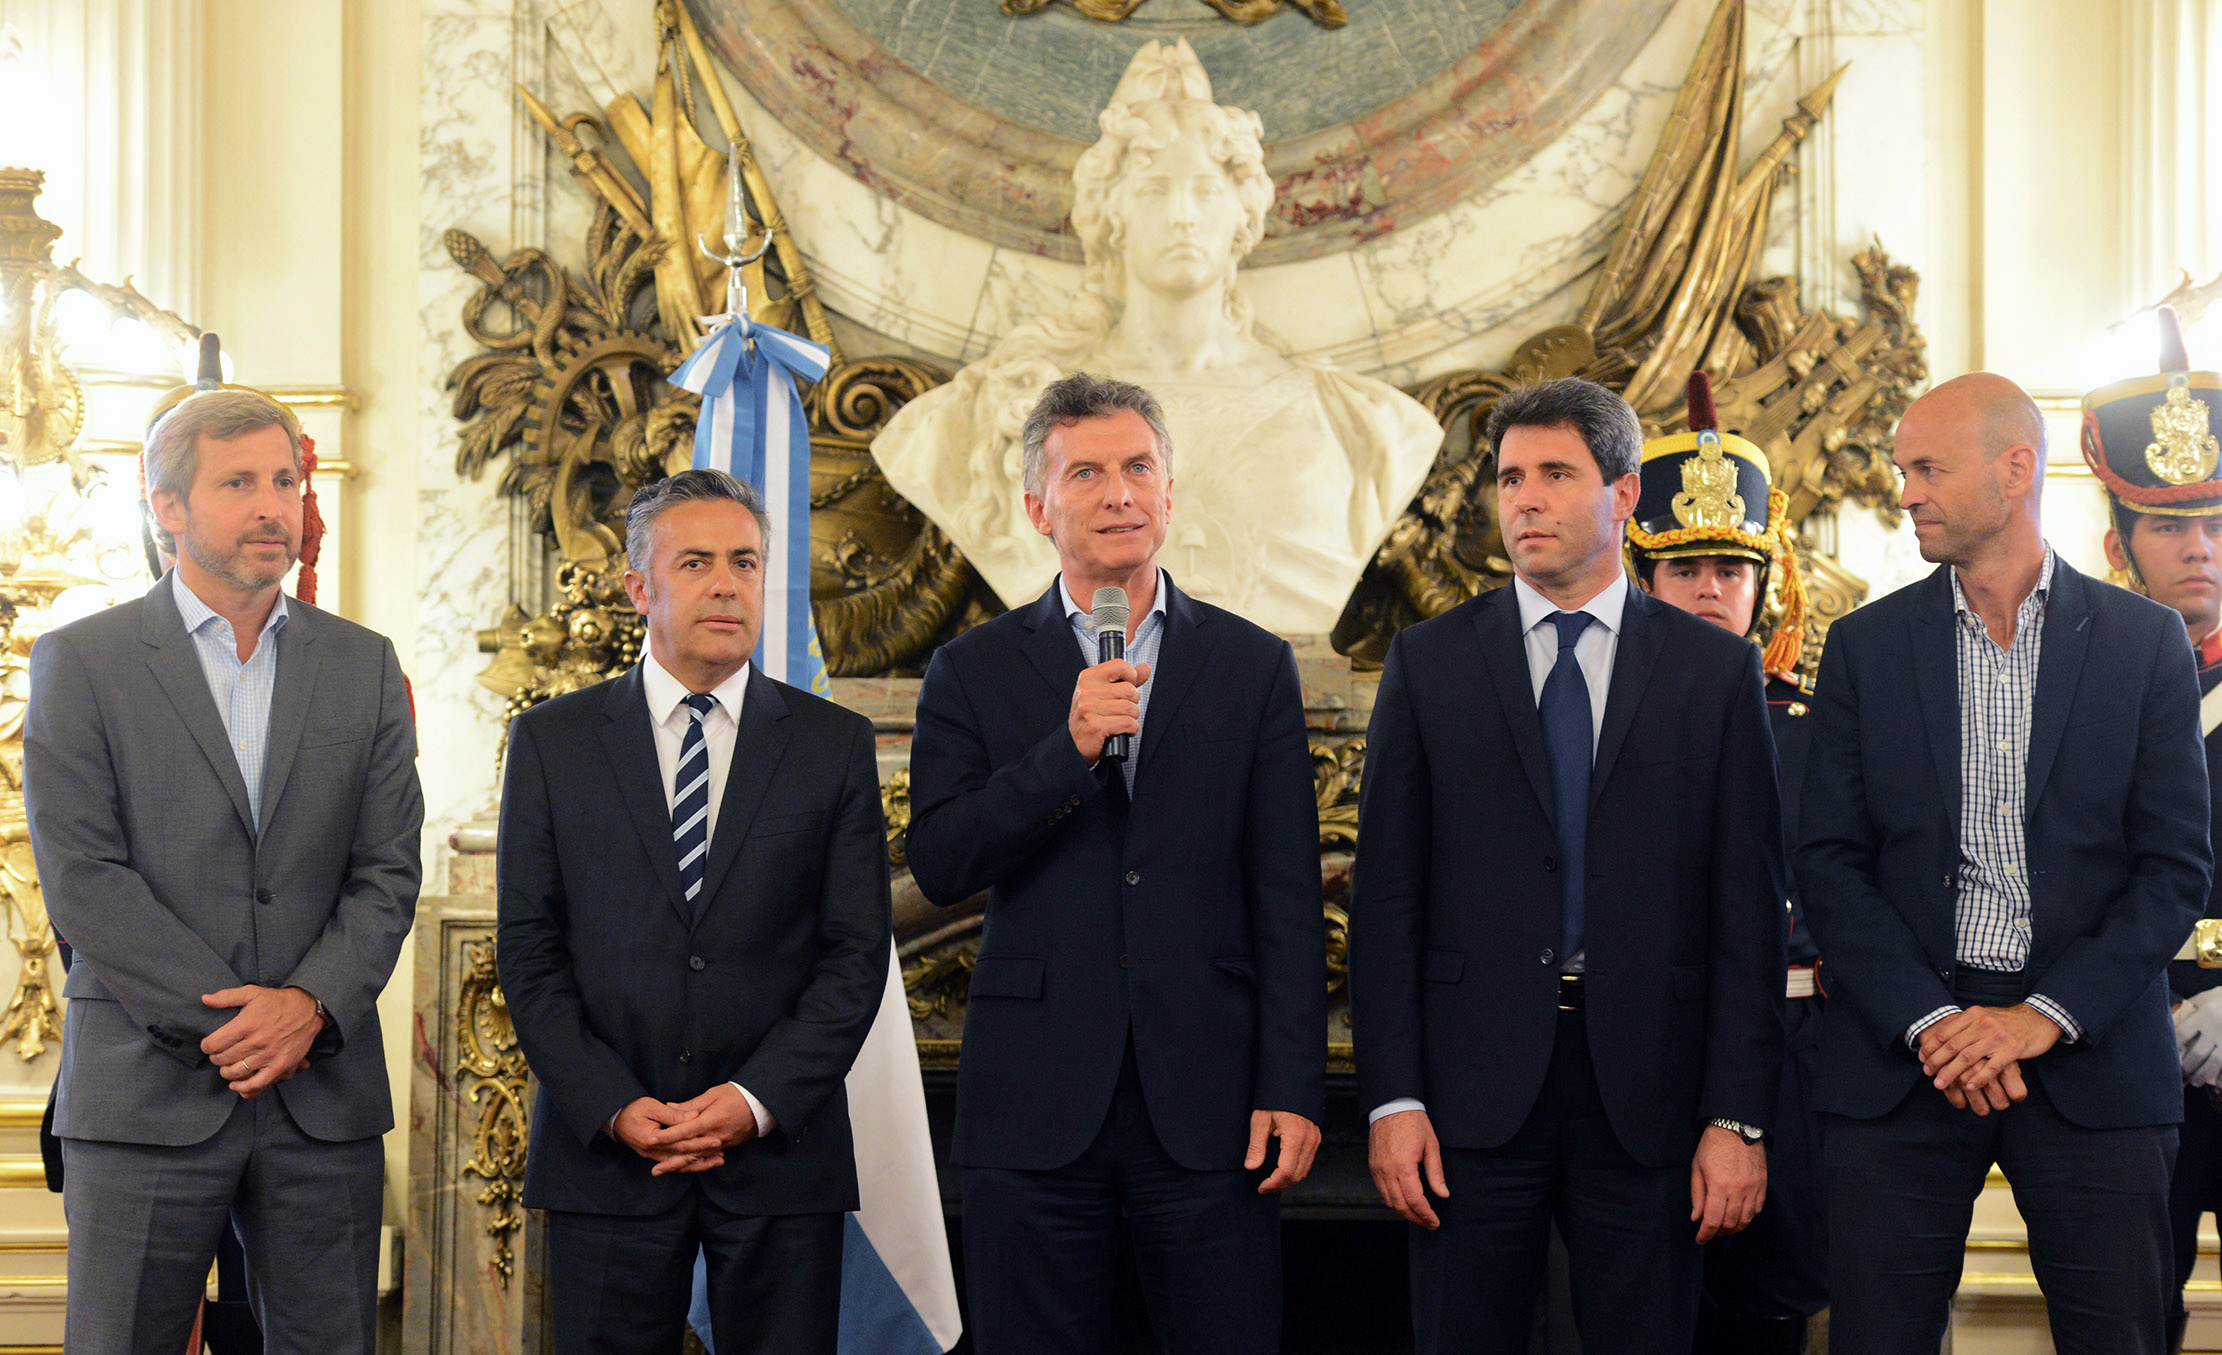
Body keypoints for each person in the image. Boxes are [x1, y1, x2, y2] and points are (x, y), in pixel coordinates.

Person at [1352, 375, 1787, 1353]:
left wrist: (1736, 1117)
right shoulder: (1427, 662)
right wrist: (1393, 1096)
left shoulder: (1713, 674)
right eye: (1509, 478)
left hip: (1652, 1094)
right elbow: (1385, 900)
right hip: (1467, 1096)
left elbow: (1745, 916)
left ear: (1622, 495)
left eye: (1554, 473)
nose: (1524, 500)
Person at [905, 371, 1325, 1355]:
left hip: (1212, 1100)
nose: (1118, 492)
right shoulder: (969, 668)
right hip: (1033, 1101)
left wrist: (1293, 1083)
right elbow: (940, 857)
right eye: (1085, 471)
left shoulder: (1251, 663)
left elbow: (1285, 897)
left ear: (1169, 493)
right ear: (1036, 506)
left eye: (1138, 467)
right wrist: (1066, 753)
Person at [1799, 372, 2212, 1353]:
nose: (1905, 491)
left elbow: (2171, 870)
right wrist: (1935, 1020)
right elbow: (1825, 862)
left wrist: (2038, 1016)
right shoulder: (1860, 647)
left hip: (2093, 1056)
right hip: (1902, 1064)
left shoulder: (2141, 644)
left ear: (2014, 469)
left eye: (1928, 467)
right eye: (1903, 470)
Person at [23, 388, 423, 1353]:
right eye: (239, 482)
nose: (273, 505)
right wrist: (239, 1023)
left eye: (285, 480)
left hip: (321, 1099)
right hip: (142, 1093)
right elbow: (84, 876)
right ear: (167, 506)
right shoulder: (82, 661)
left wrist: (310, 1006)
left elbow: (387, 871)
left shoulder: (363, 666)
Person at [495, 468, 891, 1355]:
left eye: (746, 562)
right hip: (608, 1157)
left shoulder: (833, 745)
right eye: (698, 562)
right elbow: (528, 951)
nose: (727, 583)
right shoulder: (554, 742)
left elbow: (855, 956)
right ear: (640, 587)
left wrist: (752, 1101)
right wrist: (613, 1103)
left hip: (781, 1158)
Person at [872, 39, 1440, 633]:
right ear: (1111, 217)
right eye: (1154, 191)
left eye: (1205, 190)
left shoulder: (1364, 425)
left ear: (1244, 214)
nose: (1183, 216)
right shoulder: (986, 414)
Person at [1627, 373, 1826, 1355]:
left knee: (1764, 1309)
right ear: (1642, 576)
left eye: (1729, 567)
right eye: (1684, 566)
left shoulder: (1820, 724)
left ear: (1763, 579)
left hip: (1787, 1053)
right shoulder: (1588, 717)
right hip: (1636, 1053)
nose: (1710, 586)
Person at [2083, 309, 2222, 1353]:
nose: (2200, 548)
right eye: (2171, 526)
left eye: (2216, 522)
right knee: (2128, 1321)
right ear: (2116, 540)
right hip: (2119, 1045)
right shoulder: (2074, 683)